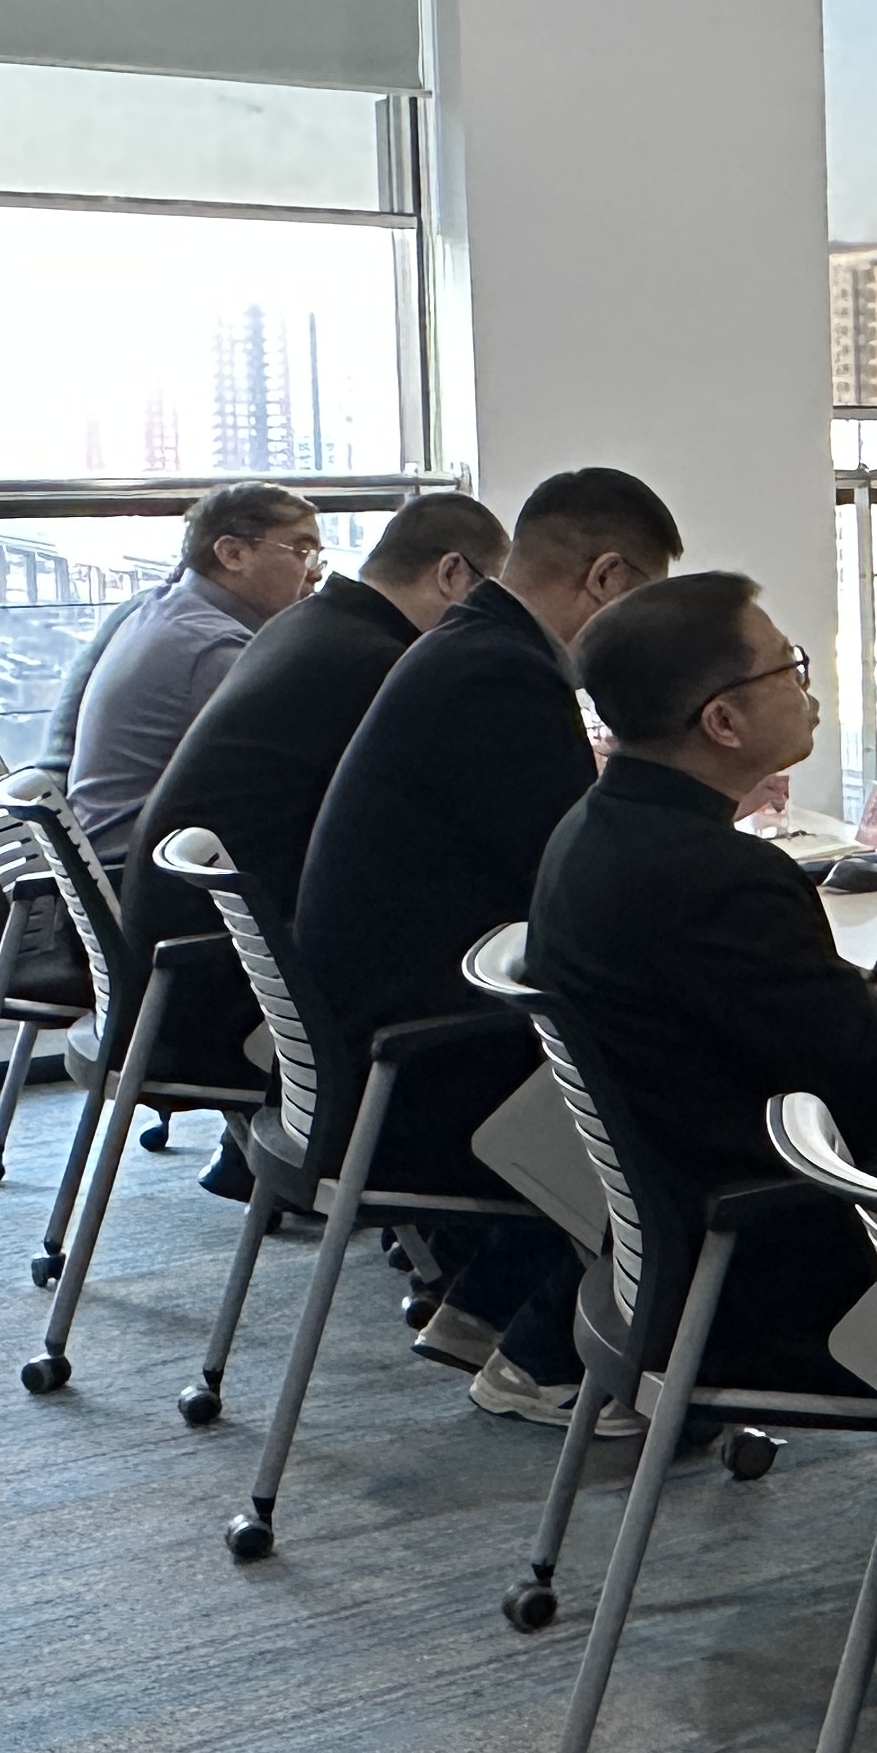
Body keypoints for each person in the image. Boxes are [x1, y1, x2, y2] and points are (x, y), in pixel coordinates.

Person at [294, 467, 682, 1418]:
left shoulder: (469, 644)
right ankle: (547, 1357)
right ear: (605, 578)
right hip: (420, 1059)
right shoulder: (504, 675)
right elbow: (581, 885)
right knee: (681, 1074)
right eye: (645, 602)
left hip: (377, 1030)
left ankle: (490, 1304)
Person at [529, 574, 877, 1392]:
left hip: (676, 1243)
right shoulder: (716, 876)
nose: (807, 688)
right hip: (779, 1259)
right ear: (722, 721)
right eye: (788, 667)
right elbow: (871, 1071)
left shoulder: (591, 828)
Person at [120, 492, 509, 1119]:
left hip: (177, 964)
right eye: (492, 594)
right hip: (222, 991)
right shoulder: (377, 662)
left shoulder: (309, 625)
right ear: (453, 574)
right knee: (489, 961)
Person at [64, 483, 326, 864]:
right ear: (232, 554)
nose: (314, 574)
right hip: (145, 871)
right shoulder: (212, 650)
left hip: (119, 853)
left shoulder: (166, 608)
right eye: (302, 551)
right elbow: (308, 762)